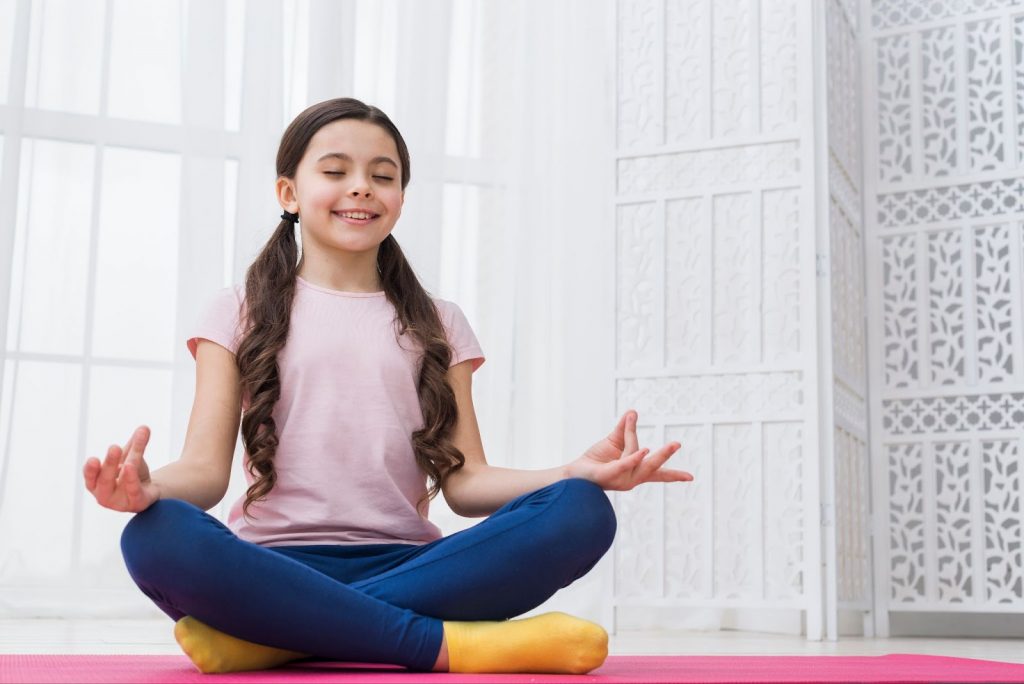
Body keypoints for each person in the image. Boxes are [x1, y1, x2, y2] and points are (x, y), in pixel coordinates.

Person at [81, 97, 691, 675]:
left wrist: (570, 474)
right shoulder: (236, 310)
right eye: (336, 170)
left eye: (383, 175)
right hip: (267, 569)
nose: (361, 187)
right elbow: (205, 473)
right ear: (289, 194)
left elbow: (466, 484)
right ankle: (435, 644)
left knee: (582, 512)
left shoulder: (440, 322)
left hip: (419, 566)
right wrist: (149, 488)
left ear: (400, 196)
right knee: (157, 534)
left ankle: (275, 642)